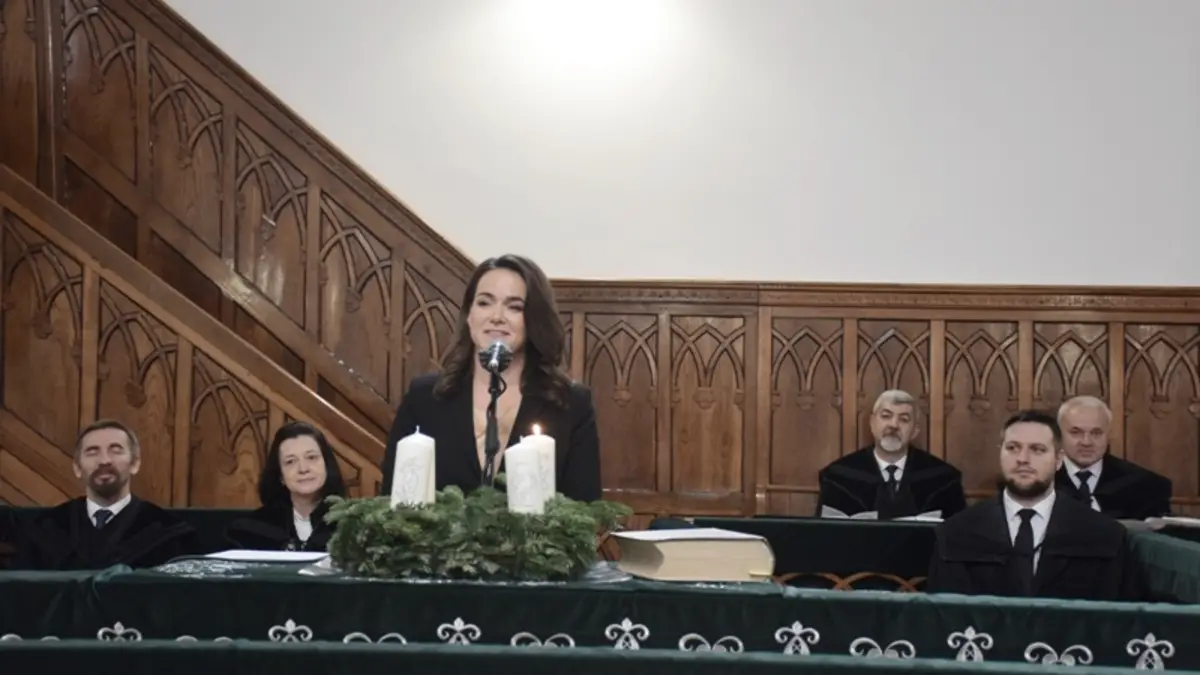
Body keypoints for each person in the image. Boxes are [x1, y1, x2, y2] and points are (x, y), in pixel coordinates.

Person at [381, 254, 602, 502]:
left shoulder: (570, 404)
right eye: (484, 303)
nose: (496, 316)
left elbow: (585, 508)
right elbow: (390, 501)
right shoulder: (424, 398)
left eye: (514, 307)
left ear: (534, 319)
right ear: (469, 315)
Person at [926, 410, 1140, 600]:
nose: (1023, 459)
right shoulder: (955, 533)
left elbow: (1121, 619)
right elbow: (941, 617)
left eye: (1037, 450)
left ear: (1059, 459)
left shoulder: (1104, 535)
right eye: (1013, 448)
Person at [12, 420, 195, 570]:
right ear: (77, 468)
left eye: (116, 450)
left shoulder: (168, 533)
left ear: (135, 464)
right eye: (92, 452)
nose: (104, 460)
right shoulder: (46, 529)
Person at [816, 390, 966, 519]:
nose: (894, 425)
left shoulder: (944, 479)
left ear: (915, 431)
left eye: (904, 419)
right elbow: (825, 536)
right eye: (886, 416)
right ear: (872, 423)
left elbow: (959, 535)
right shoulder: (838, 477)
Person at [225, 421, 348, 551]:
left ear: (327, 465)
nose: (303, 469)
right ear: (280, 475)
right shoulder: (249, 531)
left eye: (311, 457)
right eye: (290, 461)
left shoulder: (353, 525)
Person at [1054, 395, 1171, 520]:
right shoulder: (1043, 480)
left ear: (1109, 435)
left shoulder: (1146, 485)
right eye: (1076, 432)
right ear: (1058, 435)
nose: (1086, 442)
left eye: (1096, 433)